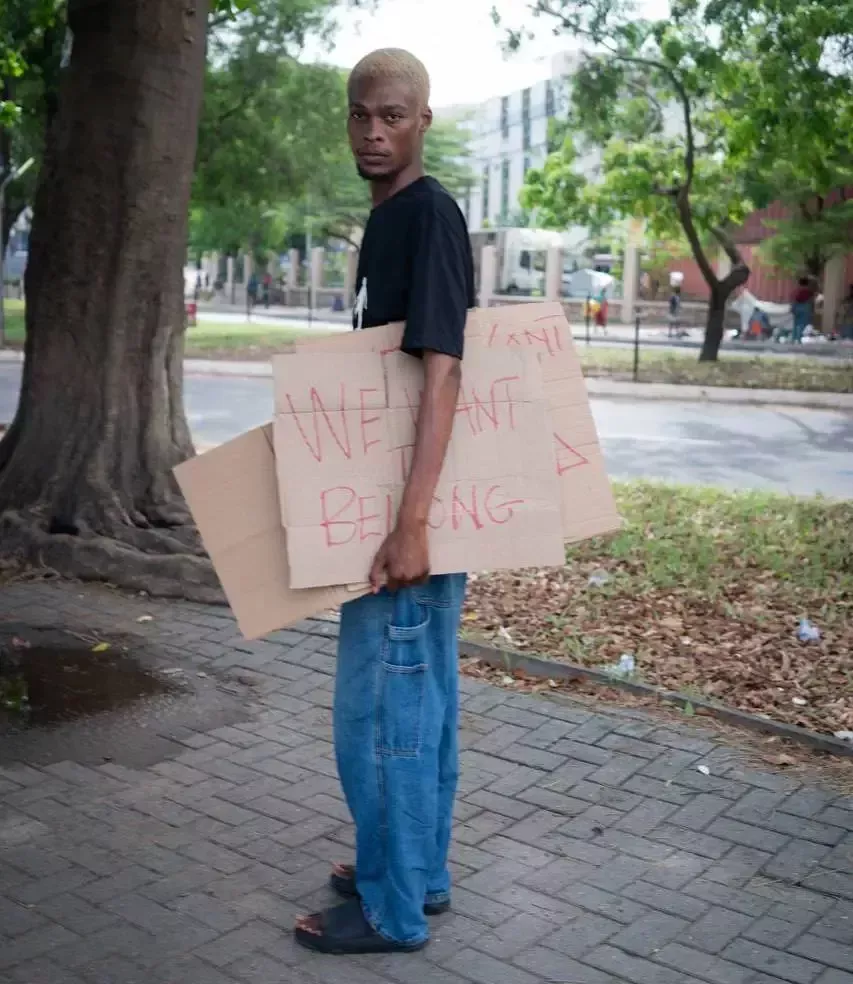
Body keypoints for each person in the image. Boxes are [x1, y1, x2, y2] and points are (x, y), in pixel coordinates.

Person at [294, 48, 474, 956]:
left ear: (423, 122)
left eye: (393, 116)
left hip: (406, 520)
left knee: (384, 714)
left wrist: (411, 524)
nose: (374, 131)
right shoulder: (388, 219)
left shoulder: (430, 215)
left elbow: (443, 369)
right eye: (361, 115)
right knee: (422, 701)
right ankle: (418, 873)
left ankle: (391, 910)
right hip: (395, 506)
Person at [790, 276, 815, 344]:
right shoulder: (809, 291)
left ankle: (793, 338)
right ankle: (799, 338)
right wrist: (811, 311)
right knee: (802, 324)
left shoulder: (796, 290)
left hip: (796, 306)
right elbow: (811, 301)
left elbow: (793, 299)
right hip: (805, 307)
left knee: (795, 323)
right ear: (807, 283)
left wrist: (792, 307)